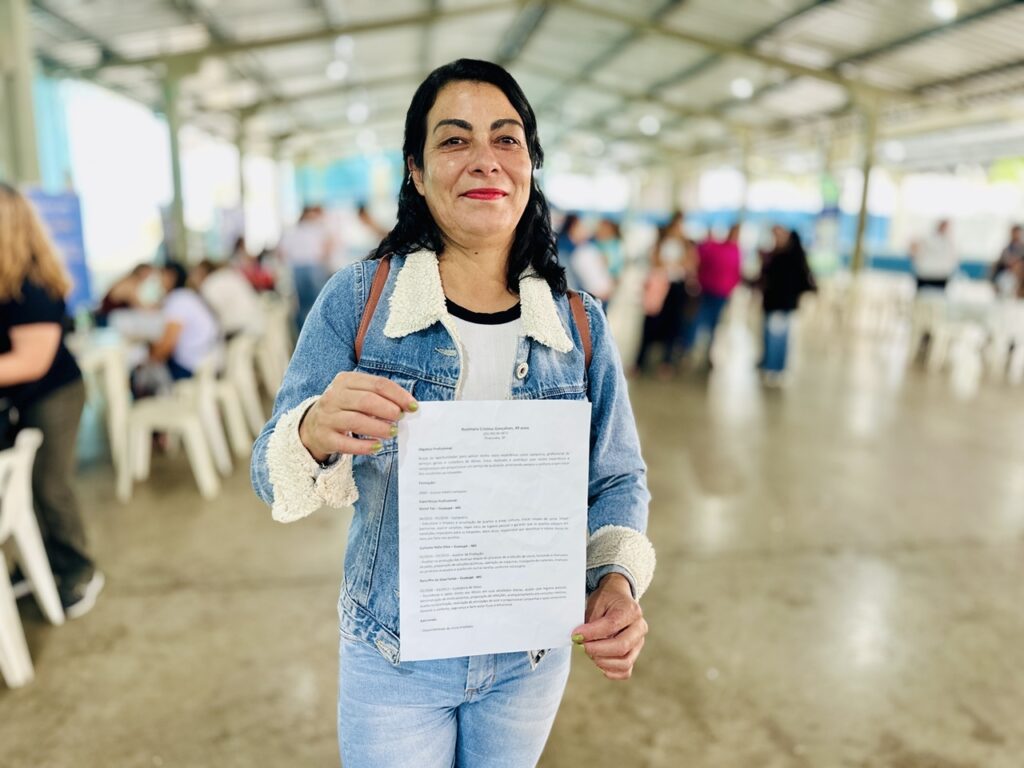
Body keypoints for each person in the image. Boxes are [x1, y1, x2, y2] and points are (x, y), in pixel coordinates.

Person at [250, 59, 654, 768]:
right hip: (394, 656)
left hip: (528, 659)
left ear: (530, 163)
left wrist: (614, 582)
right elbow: (268, 471)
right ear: (415, 169)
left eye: (506, 139)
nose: (484, 161)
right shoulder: (359, 302)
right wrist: (312, 432)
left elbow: (617, 477)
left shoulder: (578, 324)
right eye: (454, 140)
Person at [0, 182, 104, 618]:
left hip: (55, 393)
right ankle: (40, 561)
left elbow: (30, 361)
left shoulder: (34, 284)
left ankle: (79, 569)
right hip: (24, 398)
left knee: (49, 484)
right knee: (26, 490)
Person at [634, 210, 695, 376]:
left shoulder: (687, 245)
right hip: (659, 285)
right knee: (651, 323)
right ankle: (640, 361)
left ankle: (667, 361)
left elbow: (690, 264)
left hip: (676, 287)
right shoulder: (660, 243)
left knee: (673, 324)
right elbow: (655, 261)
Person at [759, 226, 816, 385]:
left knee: (778, 339)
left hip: (782, 304)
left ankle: (774, 369)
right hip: (772, 303)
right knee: (772, 337)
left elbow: (799, 281)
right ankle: (770, 366)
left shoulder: (791, 257)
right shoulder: (775, 254)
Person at [148, 261, 222, 380]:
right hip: (211, 362)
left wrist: (148, 360)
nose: (159, 281)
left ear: (171, 276)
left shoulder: (177, 300)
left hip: (193, 368)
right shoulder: (189, 296)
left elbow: (167, 346)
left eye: (162, 275)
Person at [686, 223, 742, 368]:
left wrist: (731, 287)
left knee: (713, 324)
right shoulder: (715, 247)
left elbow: (737, 272)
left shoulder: (736, 251)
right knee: (699, 320)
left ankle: (707, 351)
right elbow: (700, 260)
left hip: (722, 293)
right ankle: (689, 348)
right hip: (707, 290)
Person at [278, 205, 332, 329]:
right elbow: (328, 246)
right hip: (311, 267)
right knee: (317, 302)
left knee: (305, 305)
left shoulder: (294, 230)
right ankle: (318, 331)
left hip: (300, 268)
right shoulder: (316, 228)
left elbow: (282, 252)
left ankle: (308, 332)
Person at [192, 259, 265, 338]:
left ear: (201, 273)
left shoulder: (209, 285)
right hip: (258, 326)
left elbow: (209, 320)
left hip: (240, 332)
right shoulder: (230, 275)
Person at [911, 219, 958, 292]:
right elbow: (913, 248)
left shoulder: (950, 241)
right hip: (925, 274)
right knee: (921, 296)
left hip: (942, 275)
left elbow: (954, 257)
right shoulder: (926, 237)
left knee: (939, 298)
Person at [991, 224, 1023, 298]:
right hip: (1007, 271)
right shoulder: (1007, 248)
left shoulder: (1022, 247)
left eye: (1018, 233)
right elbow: (1005, 260)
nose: (1016, 235)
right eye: (1014, 233)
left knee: (1019, 265)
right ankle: (998, 287)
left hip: (1019, 271)